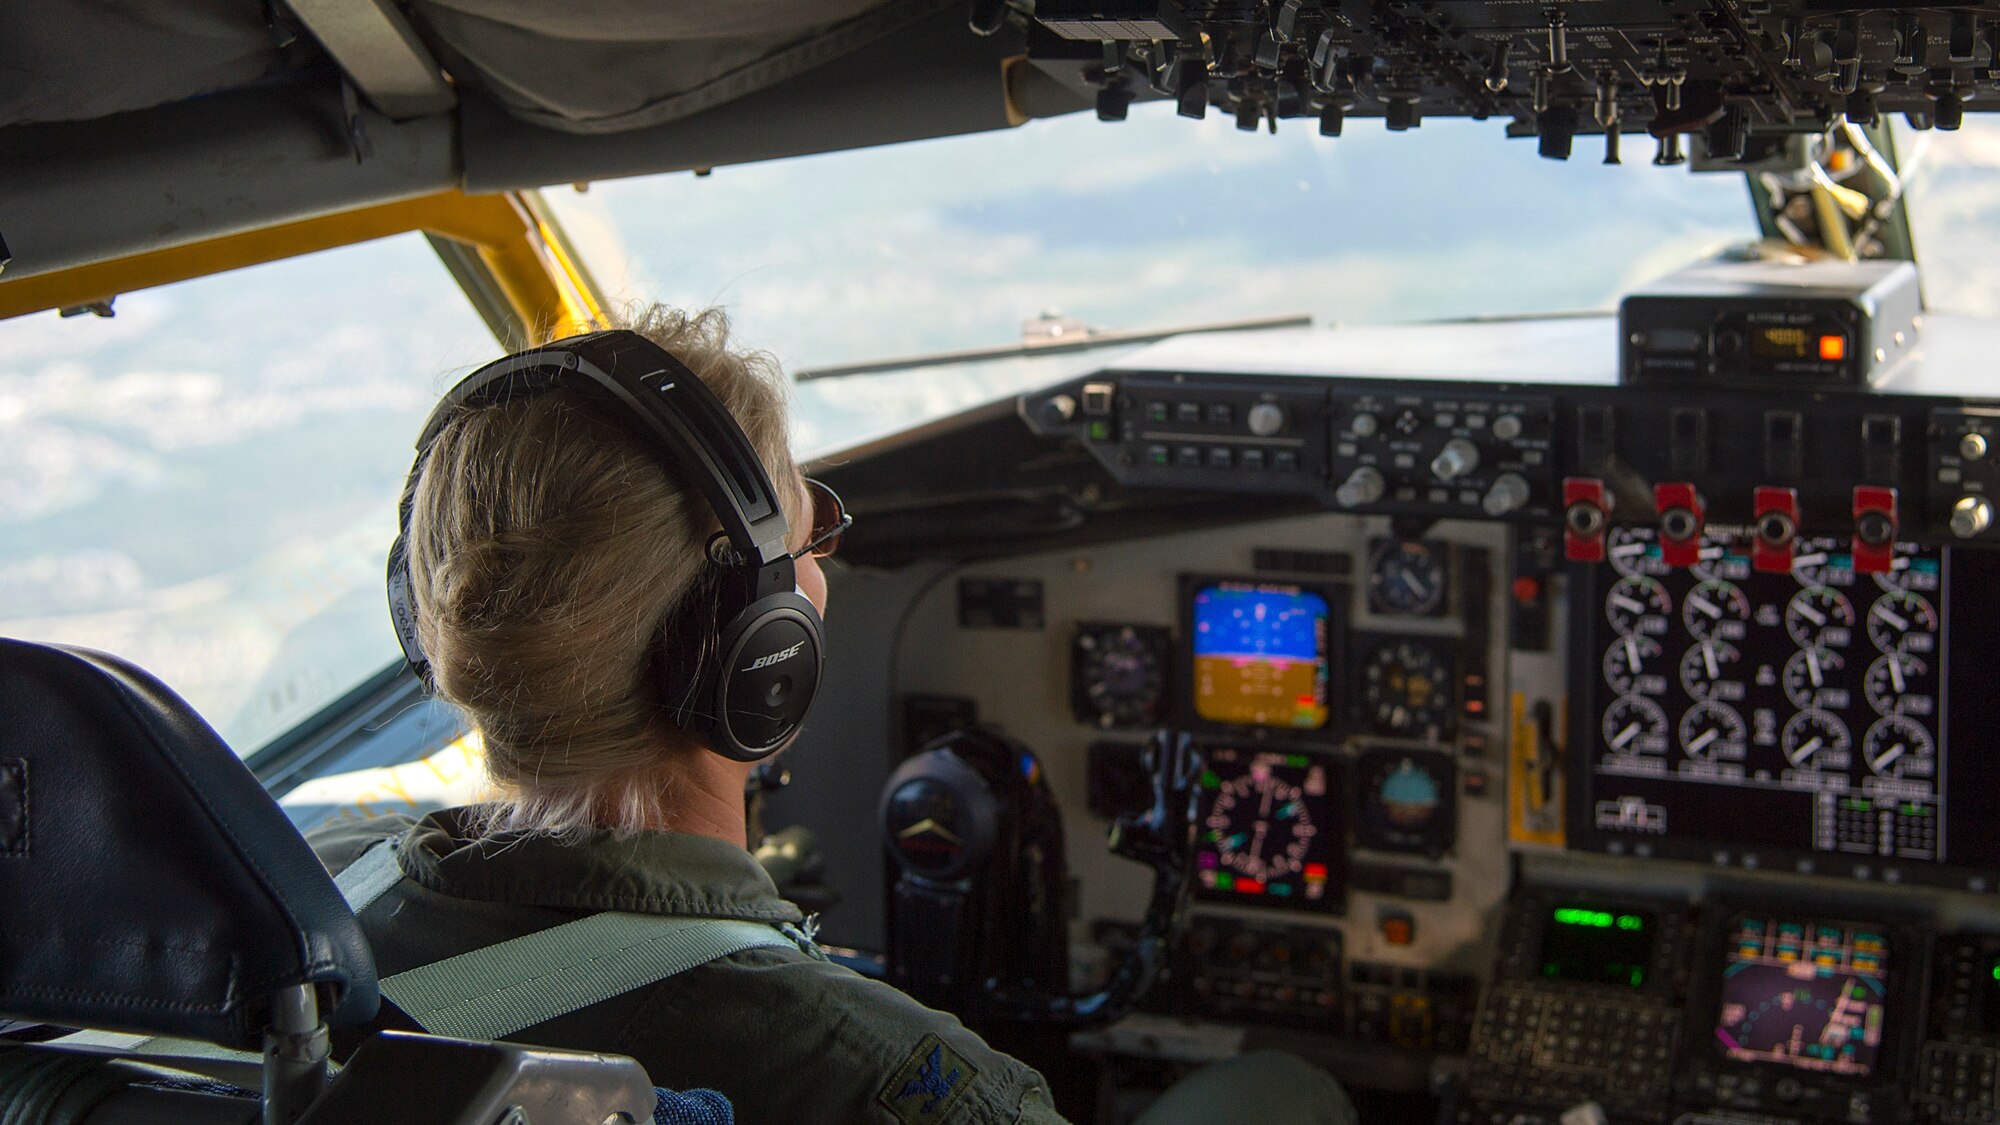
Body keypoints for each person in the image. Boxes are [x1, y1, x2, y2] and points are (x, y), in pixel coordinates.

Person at [311, 306, 1357, 1125]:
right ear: (758, 652)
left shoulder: (302, 890)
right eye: (813, 545)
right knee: (1276, 1090)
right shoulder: (886, 1087)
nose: (824, 580)